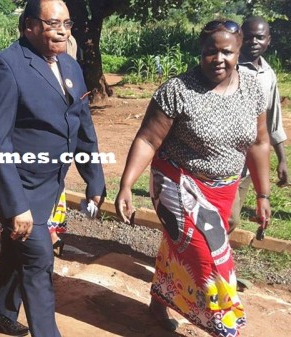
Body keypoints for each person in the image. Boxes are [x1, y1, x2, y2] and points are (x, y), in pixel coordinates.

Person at [115, 20, 271, 337]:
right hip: (176, 182)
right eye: (209, 51)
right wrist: (126, 185)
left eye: (226, 51)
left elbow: (259, 142)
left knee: (181, 248)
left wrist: (263, 195)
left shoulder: (254, 89)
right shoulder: (178, 90)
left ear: (238, 51)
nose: (218, 58)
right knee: (214, 262)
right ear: (200, 52)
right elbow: (147, 140)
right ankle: (226, 329)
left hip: (224, 188)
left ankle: (160, 299)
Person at [0, 0, 105, 335]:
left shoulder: (70, 66)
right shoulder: (5, 67)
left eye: (67, 24)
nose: (61, 31)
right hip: (16, 183)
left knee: (19, 251)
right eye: (52, 24)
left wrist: (94, 179)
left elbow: (82, 124)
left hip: (50, 183)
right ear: (29, 26)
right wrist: (16, 207)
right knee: (39, 259)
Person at [229, 16, 287, 232]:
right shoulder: (228, 67)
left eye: (260, 37)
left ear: (268, 40)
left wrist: (282, 160)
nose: (254, 42)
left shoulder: (268, 74)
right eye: (249, 36)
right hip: (224, 156)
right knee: (229, 218)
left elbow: (273, 120)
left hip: (249, 161)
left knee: (230, 218)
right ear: (240, 38)